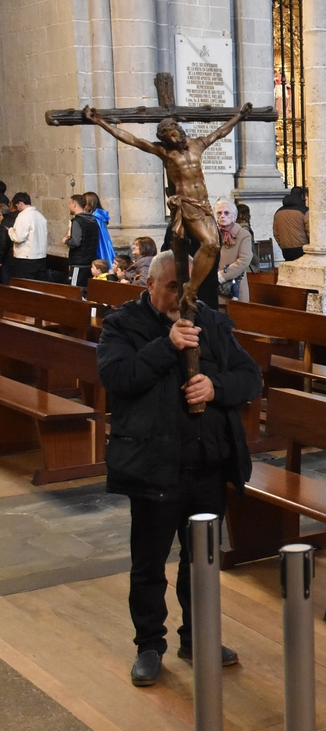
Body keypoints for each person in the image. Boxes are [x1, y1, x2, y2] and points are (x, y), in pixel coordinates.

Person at [97, 249, 261, 687]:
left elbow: (251, 376)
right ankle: (149, 646)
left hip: (207, 464)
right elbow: (119, 378)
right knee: (149, 565)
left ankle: (198, 638)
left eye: (188, 288)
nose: (181, 297)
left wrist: (215, 386)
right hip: (153, 465)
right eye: (173, 287)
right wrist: (167, 345)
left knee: (200, 563)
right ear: (149, 285)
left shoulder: (211, 321)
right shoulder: (123, 324)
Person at [84, 103, 254, 312]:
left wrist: (239, 116)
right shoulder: (165, 152)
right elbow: (133, 140)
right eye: (168, 138)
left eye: (175, 134)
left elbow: (220, 132)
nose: (174, 140)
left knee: (214, 246)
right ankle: (191, 288)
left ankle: (193, 286)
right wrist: (100, 121)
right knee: (209, 243)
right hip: (187, 204)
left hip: (203, 204)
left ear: (180, 131)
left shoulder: (197, 144)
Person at [214, 198, 253, 304]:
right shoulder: (213, 233)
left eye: (226, 213)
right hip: (215, 286)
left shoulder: (243, 235)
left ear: (234, 216)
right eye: (219, 213)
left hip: (235, 286)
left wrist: (222, 276)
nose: (222, 216)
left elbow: (244, 260)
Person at [6, 192, 49, 281]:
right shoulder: (40, 216)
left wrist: (10, 231)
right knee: (38, 285)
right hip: (41, 257)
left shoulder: (23, 216)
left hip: (26, 258)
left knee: (24, 285)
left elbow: (18, 238)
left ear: (20, 203)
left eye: (16, 205)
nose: (17, 208)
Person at [62, 194, 100, 287]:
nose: (69, 206)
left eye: (70, 204)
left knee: (74, 290)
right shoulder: (93, 219)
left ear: (74, 204)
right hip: (90, 261)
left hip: (79, 262)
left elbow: (75, 242)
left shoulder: (77, 221)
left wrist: (66, 241)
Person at [273, 186, 309, 262]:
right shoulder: (304, 211)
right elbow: (310, 231)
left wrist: (282, 245)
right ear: (302, 196)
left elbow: (276, 233)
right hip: (302, 248)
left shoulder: (278, 212)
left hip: (286, 250)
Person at [83, 191, 117, 265]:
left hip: (99, 248)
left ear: (89, 203)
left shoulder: (95, 218)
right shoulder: (99, 216)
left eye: (83, 203)